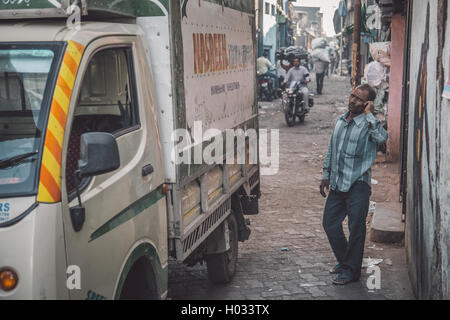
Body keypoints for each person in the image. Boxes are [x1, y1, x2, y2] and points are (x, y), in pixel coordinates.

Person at [320, 84, 388, 285]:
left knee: (356, 228)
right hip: (338, 182)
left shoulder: (369, 124)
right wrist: (326, 174)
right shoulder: (341, 121)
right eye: (352, 96)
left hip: (358, 184)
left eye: (359, 99)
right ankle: (346, 262)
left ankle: (351, 271)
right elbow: (332, 149)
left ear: (367, 104)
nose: (352, 100)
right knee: (330, 223)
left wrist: (369, 115)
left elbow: (382, 138)